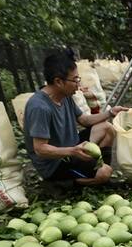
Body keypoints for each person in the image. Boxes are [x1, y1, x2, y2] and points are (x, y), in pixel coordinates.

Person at [23, 50, 126, 186]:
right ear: (58, 81)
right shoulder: (39, 107)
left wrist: (110, 113)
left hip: (72, 148)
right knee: (104, 173)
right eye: (75, 79)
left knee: (106, 128)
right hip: (56, 163)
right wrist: (73, 151)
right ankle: (63, 183)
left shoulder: (65, 96)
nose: (78, 84)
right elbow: (40, 149)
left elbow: (83, 120)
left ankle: (97, 172)